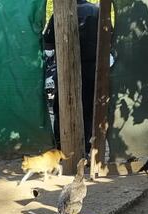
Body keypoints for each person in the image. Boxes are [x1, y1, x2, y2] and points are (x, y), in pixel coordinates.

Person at [43, 1, 100, 151]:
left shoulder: (59, 13)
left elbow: (48, 42)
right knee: (88, 110)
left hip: (65, 68)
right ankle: (87, 149)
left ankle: (61, 147)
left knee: (61, 108)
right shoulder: (96, 11)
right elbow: (109, 39)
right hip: (92, 68)